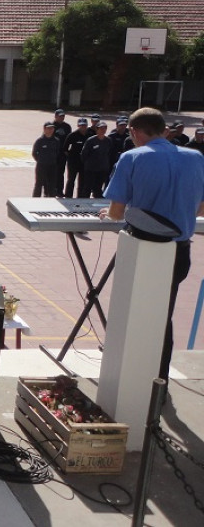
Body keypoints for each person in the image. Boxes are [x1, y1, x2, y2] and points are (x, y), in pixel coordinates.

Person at [100, 107, 204, 381]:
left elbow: (116, 213)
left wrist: (108, 215)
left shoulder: (131, 157)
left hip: (143, 251)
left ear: (134, 132)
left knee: (134, 314)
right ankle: (158, 380)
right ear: (164, 131)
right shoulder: (195, 157)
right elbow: (200, 208)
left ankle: (131, 377)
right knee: (162, 315)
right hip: (179, 251)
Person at [80, 122, 113, 198]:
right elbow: (84, 154)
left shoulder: (108, 140)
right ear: (97, 129)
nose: (103, 130)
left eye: (104, 128)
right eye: (101, 128)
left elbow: (110, 153)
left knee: (98, 188)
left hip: (102, 169)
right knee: (87, 188)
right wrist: (88, 164)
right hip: (91, 169)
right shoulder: (91, 141)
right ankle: (84, 205)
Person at [32, 122, 61, 197]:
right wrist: (41, 160)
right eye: (48, 128)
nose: (50, 130)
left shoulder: (56, 141)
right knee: (39, 184)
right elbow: (34, 153)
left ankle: (51, 199)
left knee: (52, 184)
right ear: (44, 129)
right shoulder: (40, 141)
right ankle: (35, 201)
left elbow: (58, 153)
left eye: (52, 128)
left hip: (52, 166)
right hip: (41, 166)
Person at [63, 118, 89, 197]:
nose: (83, 127)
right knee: (71, 180)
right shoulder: (72, 135)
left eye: (84, 125)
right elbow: (65, 148)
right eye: (81, 125)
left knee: (82, 181)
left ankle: (80, 197)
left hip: (84, 162)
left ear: (87, 126)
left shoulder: (90, 135)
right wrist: (70, 157)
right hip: (73, 162)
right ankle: (68, 196)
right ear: (78, 125)